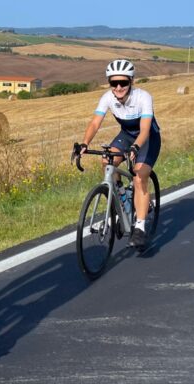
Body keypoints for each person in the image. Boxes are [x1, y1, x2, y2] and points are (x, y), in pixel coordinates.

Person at [78, 59, 161, 251]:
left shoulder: (143, 97)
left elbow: (145, 131)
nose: (118, 87)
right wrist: (84, 144)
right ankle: (122, 196)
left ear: (131, 81)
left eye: (123, 82)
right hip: (125, 135)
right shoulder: (108, 98)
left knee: (139, 176)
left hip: (147, 138)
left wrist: (135, 148)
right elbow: (95, 123)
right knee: (106, 161)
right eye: (113, 83)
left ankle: (139, 227)